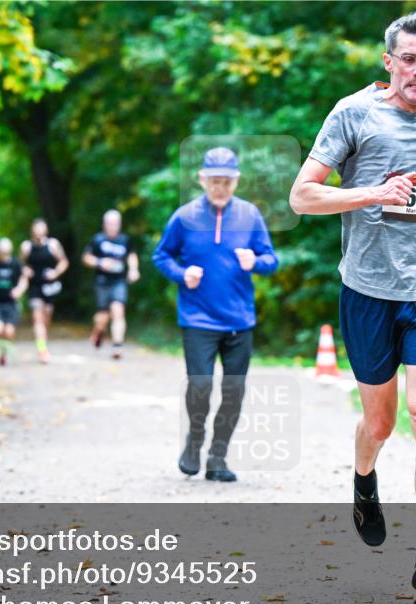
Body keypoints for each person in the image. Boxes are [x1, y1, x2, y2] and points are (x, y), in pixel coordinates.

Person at [288, 12, 416, 604]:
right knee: (381, 423)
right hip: (368, 290)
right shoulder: (354, 114)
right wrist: (372, 192)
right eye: (410, 59)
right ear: (388, 61)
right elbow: (303, 196)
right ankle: (364, 480)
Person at [153, 147, 279, 483]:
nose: (219, 187)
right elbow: (161, 256)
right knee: (200, 385)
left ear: (236, 180)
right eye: (213, 181)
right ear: (202, 180)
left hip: (239, 319)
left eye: (226, 181)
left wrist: (256, 262)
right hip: (198, 319)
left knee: (234, 392)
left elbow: (271, 260)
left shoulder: (250, 215)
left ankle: (218, 457)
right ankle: (194, 442)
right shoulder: (184, 217)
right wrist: (182, 274)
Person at [82, 209, 140, 360]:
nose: (113, 226)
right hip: (102, 282)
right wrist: (100, 262)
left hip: (119, 281)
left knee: (118, 310)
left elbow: (132, 255)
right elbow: (86, 257)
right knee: (103, 317)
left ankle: (117, 345)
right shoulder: (98, 240)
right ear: (104, 224)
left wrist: (133, 270)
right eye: (110, 223)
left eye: (115, 223)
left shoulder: (125, 240)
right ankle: (98, 331)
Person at [20, 219, 69, 364]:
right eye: (37, 230)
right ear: (32, 231)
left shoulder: (53, 245)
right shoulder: (26, 247)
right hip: (34, 286)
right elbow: (21, 263)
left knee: (46, 317)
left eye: (42, 230)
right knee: (37, 318)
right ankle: (42, 350)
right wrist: (25, 270)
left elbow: (64, 261)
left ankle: (43, 343)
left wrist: (55, 273)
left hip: (50, 286)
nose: (39, 233)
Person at [0, 238, 29, 366]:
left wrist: (19, 290)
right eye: (2, 251)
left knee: (9, 332)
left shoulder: (16, 264)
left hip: (11, 303)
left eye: (6, 251)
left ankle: (3, 354)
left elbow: (24, 279)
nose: (4, 254)